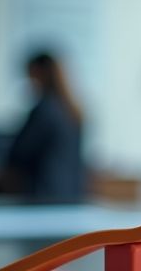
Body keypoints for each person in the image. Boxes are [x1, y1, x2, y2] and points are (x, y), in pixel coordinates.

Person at [6, 51, 86, 201]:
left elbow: (20, 153)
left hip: (44, 195)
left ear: (39, 73)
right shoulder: (72, 109)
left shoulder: (44, 110)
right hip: (71, 194)